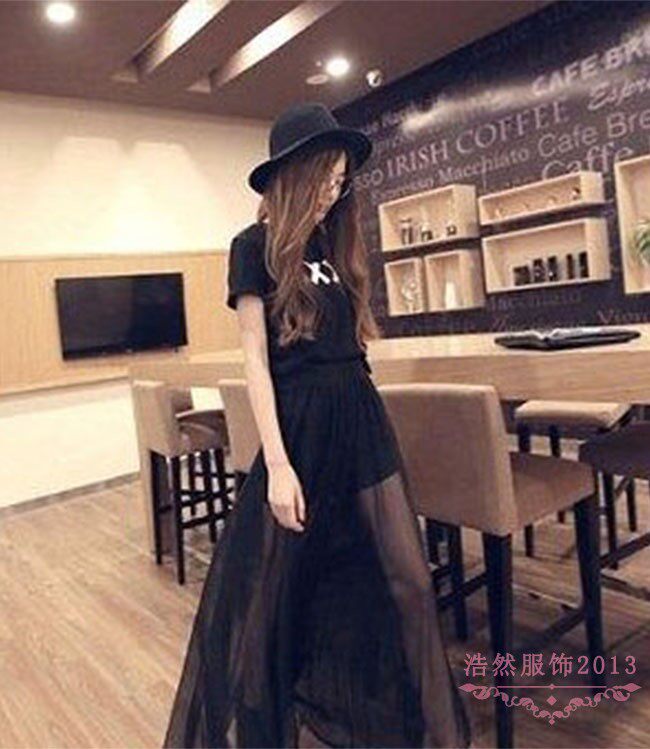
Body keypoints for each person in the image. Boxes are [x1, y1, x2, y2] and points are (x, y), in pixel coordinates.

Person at [162, 102, 471, 749]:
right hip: (300, 429)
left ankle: (435, 733)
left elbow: (349, 342)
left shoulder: (335, 244)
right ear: (296, 175)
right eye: (326, 178)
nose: (335, 190)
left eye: (340, 180)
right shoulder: (252, 247)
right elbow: (255, 359)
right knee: (281, 595)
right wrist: (276, 464)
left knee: (409, 580)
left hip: (360, 417)